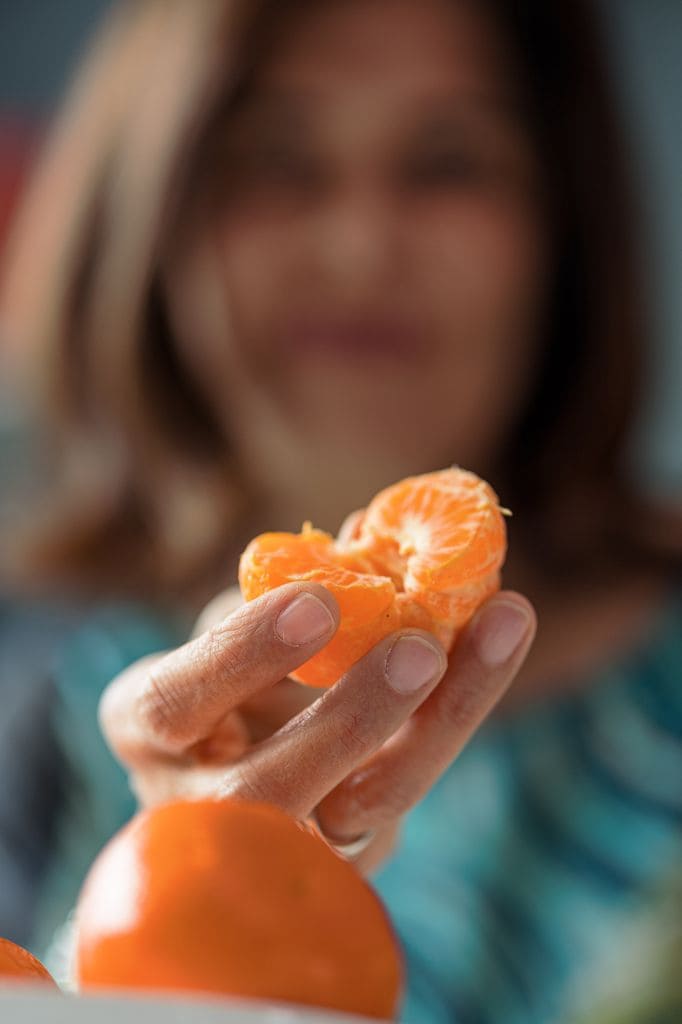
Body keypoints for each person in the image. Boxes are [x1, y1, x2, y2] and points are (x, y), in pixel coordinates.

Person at [1, 0, 681, 1021]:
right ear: (154, 220)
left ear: (563, 222)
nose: (360, 248)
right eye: (274, 162)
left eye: (447, 163)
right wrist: (150, 929)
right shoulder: (35, 693)